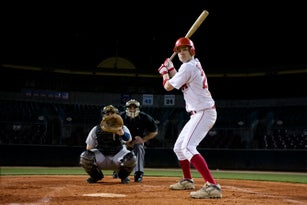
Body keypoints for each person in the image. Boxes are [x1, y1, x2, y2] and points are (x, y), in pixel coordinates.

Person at [157, 37, 222, 199]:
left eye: (184, 49)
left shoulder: (188, 67)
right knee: (179, 148)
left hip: (204, 112)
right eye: (178, 50)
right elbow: (181, 81)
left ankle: (212, 186)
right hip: (198, 113)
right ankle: (187, 180)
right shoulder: (191, 66)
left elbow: (168, 86)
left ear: (192, 51)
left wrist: (164, 73)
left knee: (188, 147)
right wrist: (171, 69)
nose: (181, 53)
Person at [79, 105, 136, 184]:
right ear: (103, 116)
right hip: (102, 154)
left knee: (131, 158)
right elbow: (89, 147)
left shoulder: (122, 128)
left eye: (112, 114)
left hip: (118, 155)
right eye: (107, 114)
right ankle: (96, 176)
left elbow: (129, 140)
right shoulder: (96, 129)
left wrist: (122, 134)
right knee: (85, 157)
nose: (110, 116)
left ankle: (123, 176)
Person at [113, 99, 158, 182]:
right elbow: (113, 130)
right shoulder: (120, 117)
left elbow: (154, 131)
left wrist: (143, 139)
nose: (132, 109)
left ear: (138, 108)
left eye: (134, 107)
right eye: (130, 107)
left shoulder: (145, 117)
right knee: (118, 147)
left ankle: (138, 173)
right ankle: (118, 170)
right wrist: (124, 141)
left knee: (139, 147)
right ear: (126, 108)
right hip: (122, 140)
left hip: (137, 141)